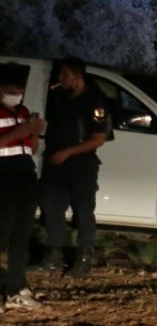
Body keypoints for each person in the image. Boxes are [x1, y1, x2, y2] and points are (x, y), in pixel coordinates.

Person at [39, 57, 109, 278]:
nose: (60, 79)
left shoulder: (94, 102)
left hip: (81, 166)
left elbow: (98, 138)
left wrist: (67, 152)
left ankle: (84, 258)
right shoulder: (61, 98)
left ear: (76, 76)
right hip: (56, 165)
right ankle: (53, 256)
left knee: (83, 211)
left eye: (64, 75)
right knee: (51, 209)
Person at [0, 63, 47, 309]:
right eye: (11, 88)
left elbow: (32, 149)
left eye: (20, 89)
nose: (16, 93)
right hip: (3, 175)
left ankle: (16, 289)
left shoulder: (25, 111)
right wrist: (19, 131)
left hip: (25, 174)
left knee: (21, 236)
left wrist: (35, 132)